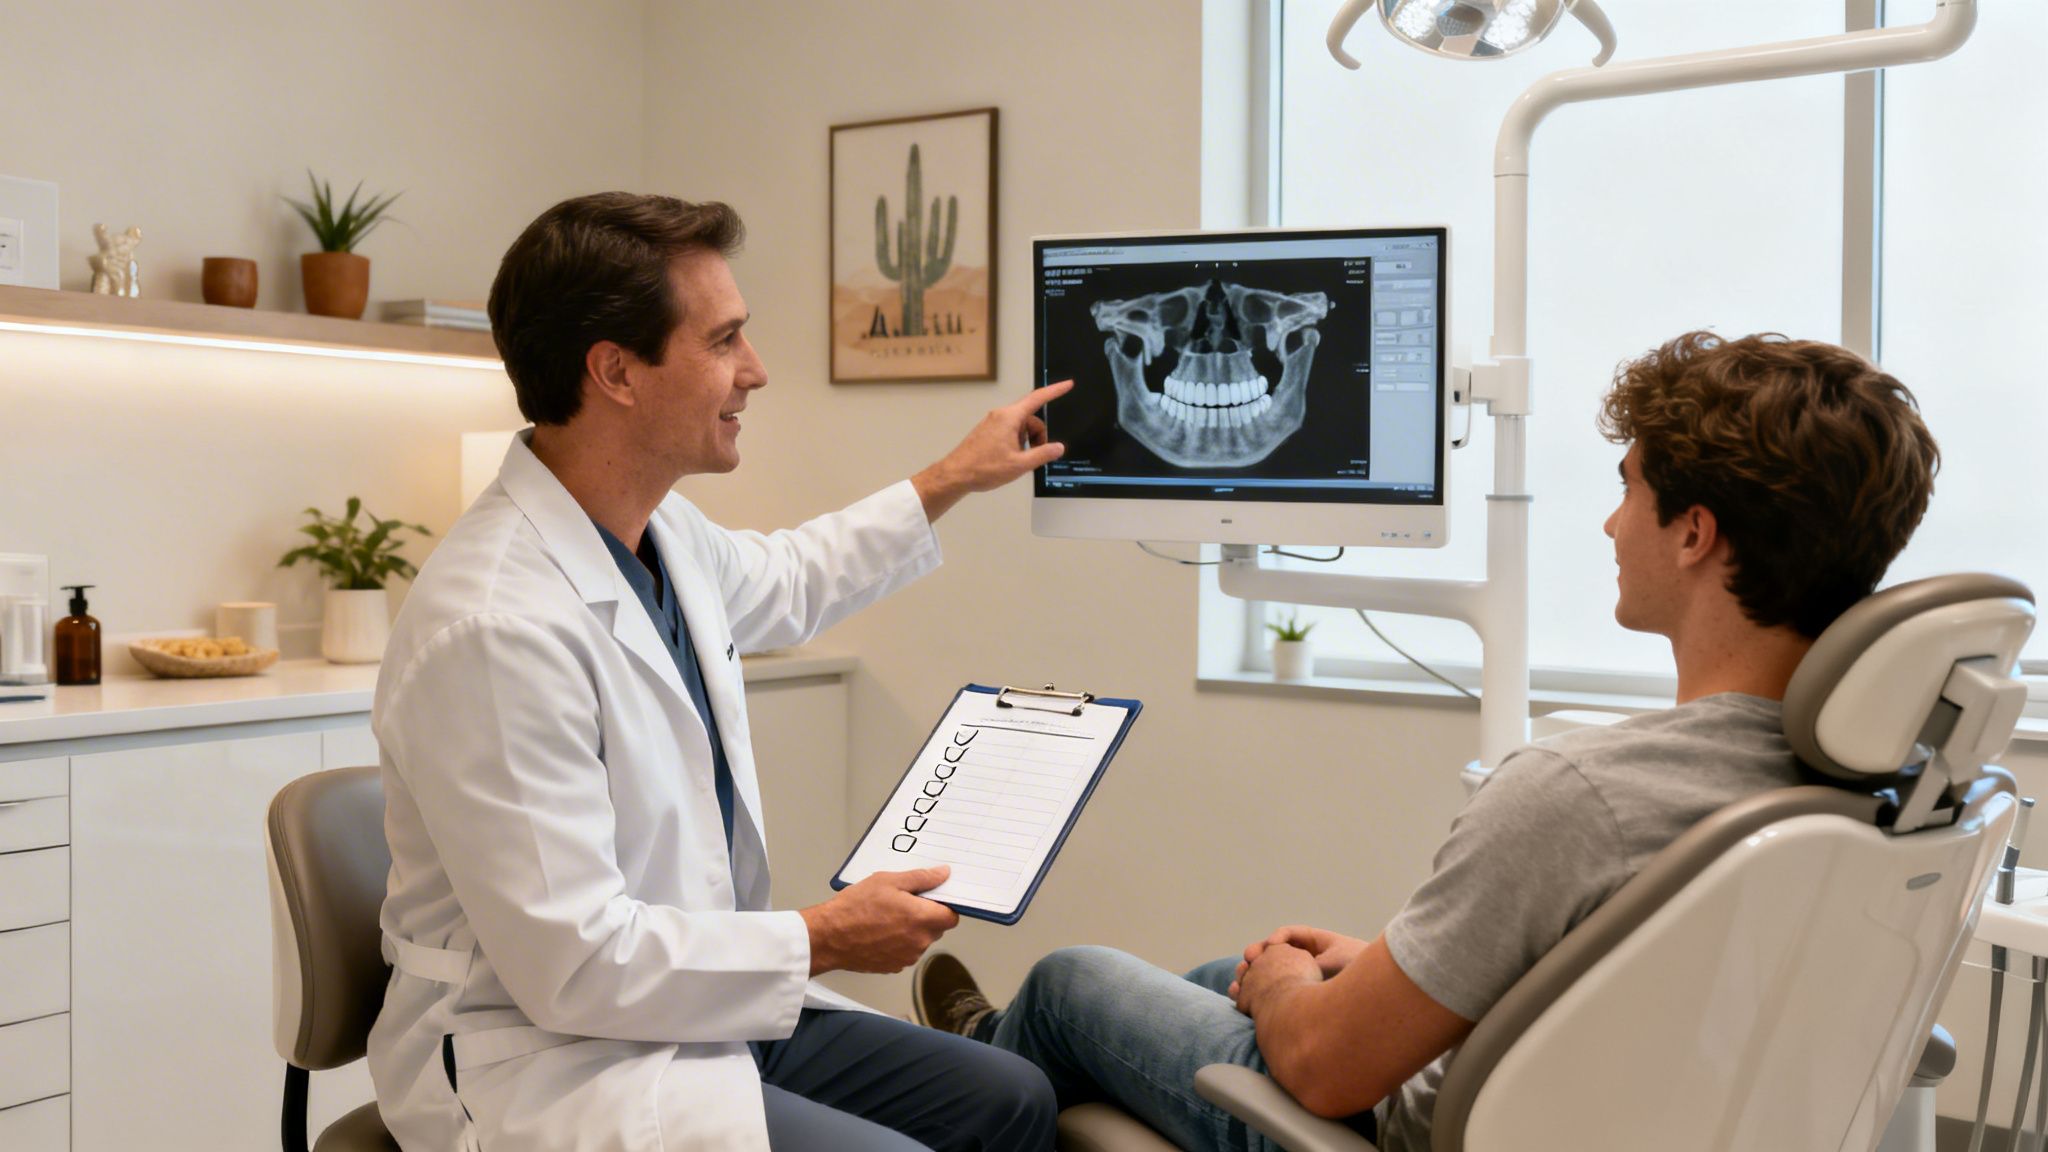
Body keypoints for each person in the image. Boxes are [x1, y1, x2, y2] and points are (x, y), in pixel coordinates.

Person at [911, 330, 1942, 1152]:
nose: (1609, 525)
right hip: (1616, 1103)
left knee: (1068, 985)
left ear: (1692, 532)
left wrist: (1287, 997)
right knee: (1216, 971)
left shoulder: (1579, 792)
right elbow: (1645, 988)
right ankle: (1007, 1063)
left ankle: (971, 1075)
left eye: (1628, 487)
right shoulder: (1874, 784)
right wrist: (1358, 971)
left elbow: (1319, 1071)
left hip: (1399, 1128)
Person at [370, 192, 1070, 1152]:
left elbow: (792, 576)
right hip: (544, 1050)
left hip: (692, 1004)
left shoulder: (659, 533)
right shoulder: (494, 626)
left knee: (1014, 1098)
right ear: (616, 371)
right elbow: (574, 966)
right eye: (725, 341)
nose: (757, 371)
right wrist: (821, 936)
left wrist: (954, 475)